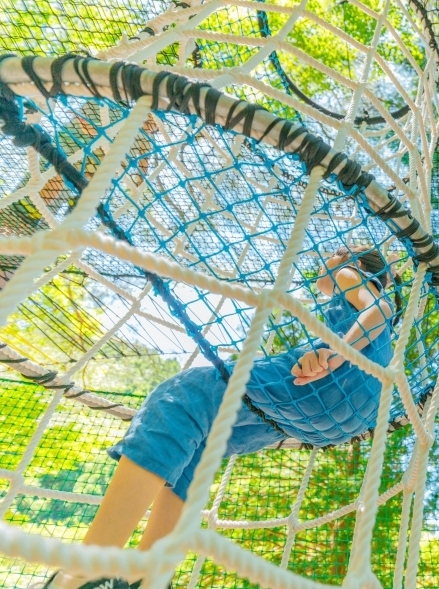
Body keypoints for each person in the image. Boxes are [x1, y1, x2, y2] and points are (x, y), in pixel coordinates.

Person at [45, 245, 399, 589]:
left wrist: (332, 354)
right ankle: (147, 576)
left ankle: (84, 571)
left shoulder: (349, 274)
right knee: (200, 443)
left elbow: (379, 309)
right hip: (345, 417)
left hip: (334, 380)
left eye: (335, 254)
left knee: (186, 395)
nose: (327, 261)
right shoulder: (366, 313)